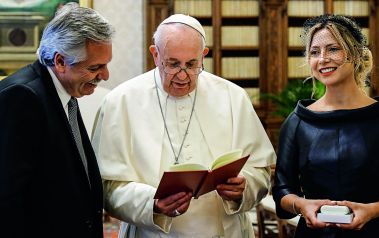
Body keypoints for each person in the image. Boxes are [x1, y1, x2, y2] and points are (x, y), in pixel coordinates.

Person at [92, 14, 276, 238]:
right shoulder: (120, 101)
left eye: (191, 64)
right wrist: (152, 203)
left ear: (203, 55)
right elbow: (107, 186)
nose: (182, 75)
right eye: (172, 64)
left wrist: (242, 189)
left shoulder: (233, 97)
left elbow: (261, 170)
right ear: (155, 54)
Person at [272, 14, 379, 237]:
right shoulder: (297, 122)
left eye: (333, 49)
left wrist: (372, 210)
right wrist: (302, 205)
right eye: (315, 52)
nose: (323, 59)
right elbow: (282, 191)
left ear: (356, 54)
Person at [0, 3, 114, 238]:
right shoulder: (22, 97)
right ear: (60, 61)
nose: (105, 75)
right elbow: (7, 202)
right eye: (95, 67)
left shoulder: (63, 93)